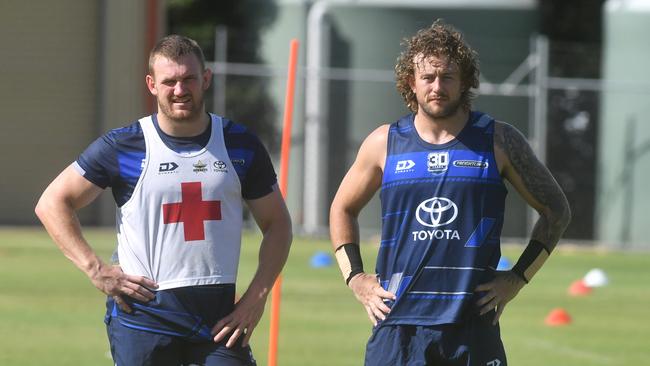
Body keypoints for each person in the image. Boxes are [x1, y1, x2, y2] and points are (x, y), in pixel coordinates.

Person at [35, 35, 292, 366]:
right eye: (169, 81)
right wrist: (96, 269)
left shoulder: (240, 144)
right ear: (152, 84)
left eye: (189, 79)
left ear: (206, 79)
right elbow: (52, 202)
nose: (180, 90)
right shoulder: (124, 145)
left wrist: (257, 296)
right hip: (144, 315)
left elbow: (278, 224)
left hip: (219, 320)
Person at [330, 20, 571, 366]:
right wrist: (355, 277)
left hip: (472, 326)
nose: (437, 86)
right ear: (411, 83)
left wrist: (518, 277)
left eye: (447, 77)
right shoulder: (384, 143)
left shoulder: (499, 141)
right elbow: (341, 208)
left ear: (465, 83)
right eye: (427, 77)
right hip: (398, 327)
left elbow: (557, 210)